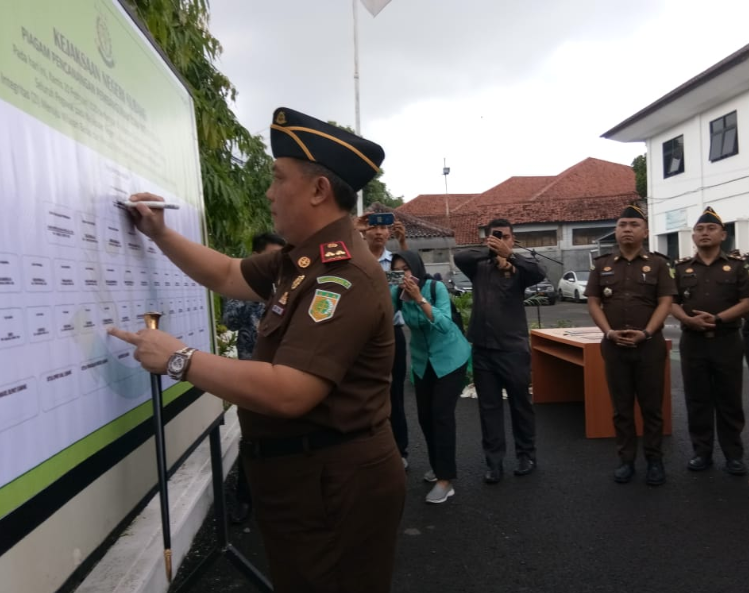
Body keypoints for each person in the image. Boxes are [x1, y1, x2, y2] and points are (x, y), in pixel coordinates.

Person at [109, 107, 406, 593]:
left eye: (277, 178)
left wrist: (178, 358)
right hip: (307, 479)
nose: (268, 192)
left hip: (332, 485)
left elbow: (291, 391)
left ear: (318, 190)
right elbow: (228, 274)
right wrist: (160, 233)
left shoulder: (342, 275)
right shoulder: (303, 258)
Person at [584, 205, 676, 486]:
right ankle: (626, 460)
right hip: (615, 347)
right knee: (621, 408)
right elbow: (593, 301)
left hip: (649, 346)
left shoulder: (659, 264)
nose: (627, 229)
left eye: (634, 224)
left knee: (652, 407)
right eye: (622, 224)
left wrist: (647, 332)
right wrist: (609, 332)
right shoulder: (603, 264)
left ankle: (654, 460)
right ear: (616, 229)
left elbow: (666, 301)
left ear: (645, 231)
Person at [454, 218, 545, 484]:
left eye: (505, 236)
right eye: (496, 236)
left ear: (512, 239)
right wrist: (492, 251)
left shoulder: (520, 270)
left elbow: (539, 273)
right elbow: (460, 256)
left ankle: (526, 455)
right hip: (483, 349)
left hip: (513, 349)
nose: (501, 240)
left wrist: (510, 256)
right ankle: (494, 463)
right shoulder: (478, 266)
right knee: (489, 408)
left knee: (521, 405)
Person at [670, 207, 749, 475]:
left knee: (729, 399)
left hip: (727, 341)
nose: (704, 233)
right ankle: (701, 452)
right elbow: (671, 302)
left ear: (723, 234)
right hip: (693, 342)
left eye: (711, 228)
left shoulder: (738, 267)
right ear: (693, 236)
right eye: (699, 229)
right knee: (697, 399)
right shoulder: (681, 268)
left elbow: (746, 301)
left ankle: (734, 455)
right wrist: (688, 320)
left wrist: (717, 319)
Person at [390, 250, 471, 503]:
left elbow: (446, 324)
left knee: (441, 415)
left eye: (406, 269)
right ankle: (437, 465)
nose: (403, 275)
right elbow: (380, 318)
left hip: (450, 358)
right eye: (397, 271)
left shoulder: (435, 288)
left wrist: (419, 299)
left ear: (416, 268)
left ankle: (446, 480)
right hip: (423, 362)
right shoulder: (395, 295)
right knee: (425, 416)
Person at [222, 231, 286, 523]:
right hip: (251, 371)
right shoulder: (242, 283)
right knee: (252, 437)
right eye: (270, 256)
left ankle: (283, 497)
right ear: (256, 256)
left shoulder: (292, 283)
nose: (277, 262)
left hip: (287, 373)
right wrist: (257, 292)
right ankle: (245, 498)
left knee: (289, 436)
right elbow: (230, 321)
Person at [361, 216, 410, 469]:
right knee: (363, 393)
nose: (378, 232)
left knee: (395, 394)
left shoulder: (396, 261)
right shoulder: (354, 257)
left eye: (383, 227)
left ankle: (400, 450)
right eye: (373, 227)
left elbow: (411, 278)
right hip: (360, 336)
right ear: (363, 230)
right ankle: (367, 451)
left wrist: (403, 243)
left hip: (392, 334)